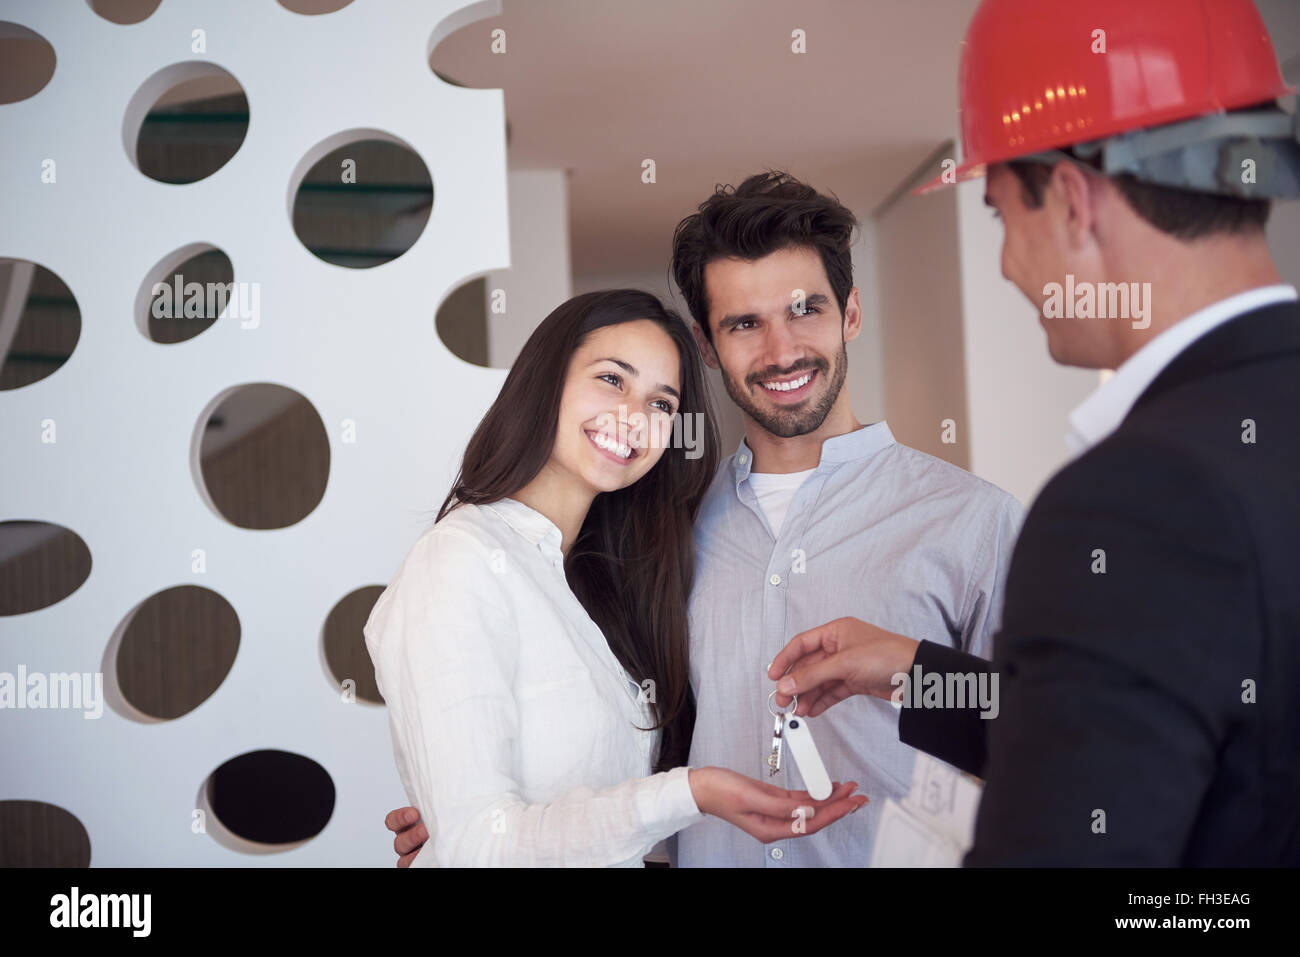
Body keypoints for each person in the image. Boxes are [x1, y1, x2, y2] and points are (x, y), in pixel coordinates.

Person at [768, 0, 1300, 865]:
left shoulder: (1134, 500)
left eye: (1001, 216)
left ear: (1075, 200)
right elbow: (1143, 723)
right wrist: (915, 666)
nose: (1011, 263)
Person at [388, 175, 1025, 866]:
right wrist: (482, 823)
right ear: (708, 343)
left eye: (805, 310)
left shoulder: (972, 520)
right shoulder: (661, 533)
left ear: (851, 313)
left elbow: (1055, 736)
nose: (781, 351)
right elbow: (632, 753)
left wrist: (911, 670)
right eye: (745, 323)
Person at [364, 288, 867, 867]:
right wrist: (691, 792)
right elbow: (481, 847)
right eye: (611, 379)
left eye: (661, 404)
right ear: (546, 378)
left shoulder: (599, 584)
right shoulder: (459, 561)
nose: (634, 418)